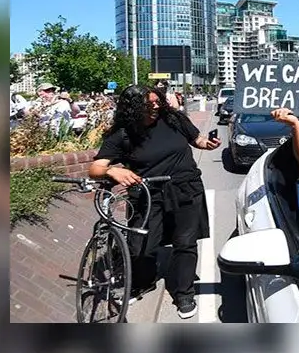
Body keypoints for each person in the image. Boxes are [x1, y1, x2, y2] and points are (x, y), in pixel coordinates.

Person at [88, 84, 221, 319]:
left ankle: (184, 292)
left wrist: (207, 144)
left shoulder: (173, 120)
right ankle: (143, 282)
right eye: (149, 104)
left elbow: (197, 139)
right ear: (133, 109)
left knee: (185, 243)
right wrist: (113, 172)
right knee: (142, 248)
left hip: (186, 189)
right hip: (147, 196)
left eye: (157, 101)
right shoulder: (123, 135)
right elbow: (95, 168)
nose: (156, 106)